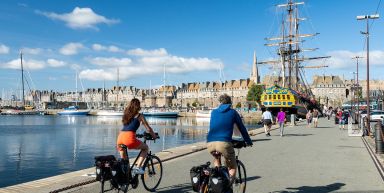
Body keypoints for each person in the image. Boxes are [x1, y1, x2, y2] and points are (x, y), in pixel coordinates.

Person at [207, 94, 253, 185]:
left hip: (210, 142)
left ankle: (218, 180)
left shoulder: (213, 112)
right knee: (232, 167)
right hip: (224, 143)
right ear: (230, 103)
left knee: (217, 159)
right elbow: (241, 128)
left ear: (220, 102)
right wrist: (248, 141)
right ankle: (226, 188)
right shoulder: (233, 112)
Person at [116, 98, 157, 174]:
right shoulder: (140, 116)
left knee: (124, 163)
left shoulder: (126, 115)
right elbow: (148, 129)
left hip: (120, 137)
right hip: (129, 138)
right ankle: (138, 168)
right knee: (145, 148)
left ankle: (124, 182)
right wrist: (154, 135)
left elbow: (128, 127)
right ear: (138, 106)